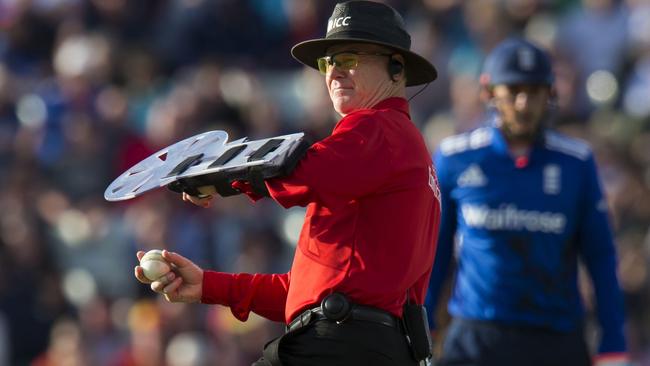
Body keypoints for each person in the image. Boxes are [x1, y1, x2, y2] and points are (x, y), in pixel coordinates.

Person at [134, 1, 441, 365]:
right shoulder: (374, 156)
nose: (334, 73)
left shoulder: (378, 128)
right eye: (329, 63)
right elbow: (303, 294)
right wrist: (208, 286)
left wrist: (218, 178)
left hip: (340, 343)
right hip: (357, 343)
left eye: (350, 58)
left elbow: (302, 170)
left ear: (396, 68)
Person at [425, 37, 629, 366]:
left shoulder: (576, 162)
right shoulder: (455, 158)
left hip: (555, 337)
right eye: (513, 90)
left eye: (534, 91)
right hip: (477, 338)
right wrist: (425, 323)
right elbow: (435, 252)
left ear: (550, 94)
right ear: (489, 92)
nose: (523, 103)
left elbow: (601, 256)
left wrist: (613, 341)